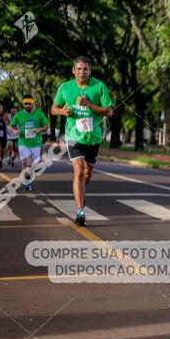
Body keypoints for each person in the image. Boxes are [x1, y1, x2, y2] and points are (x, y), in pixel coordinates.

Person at [51, 56, 114, 226]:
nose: (82, 72)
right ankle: (80, 212)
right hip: (74, 137)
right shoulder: (65, 88)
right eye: (78, 69)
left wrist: (89, 105)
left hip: (93, 137)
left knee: (87, 173)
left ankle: (81, 191)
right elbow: (53, 109)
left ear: (89, 71)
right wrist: (62, 112)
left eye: (85, 69)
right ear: (73, 70)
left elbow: (109, 112)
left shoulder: (98, 87)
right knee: (78, 171)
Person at [8, 95, 50, 191]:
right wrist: (14, 131)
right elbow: (10, 126)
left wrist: (39, 129)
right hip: (23, 142)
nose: (27, 105)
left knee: (33, 165)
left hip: (36, 143)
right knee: (25, 162)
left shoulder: (39, 114)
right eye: (26, 104)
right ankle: (26, 183)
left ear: (32, 103)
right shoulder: (19, 115)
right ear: (23, 104)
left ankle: (30, 171)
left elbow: (47, 126)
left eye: (29, 104)